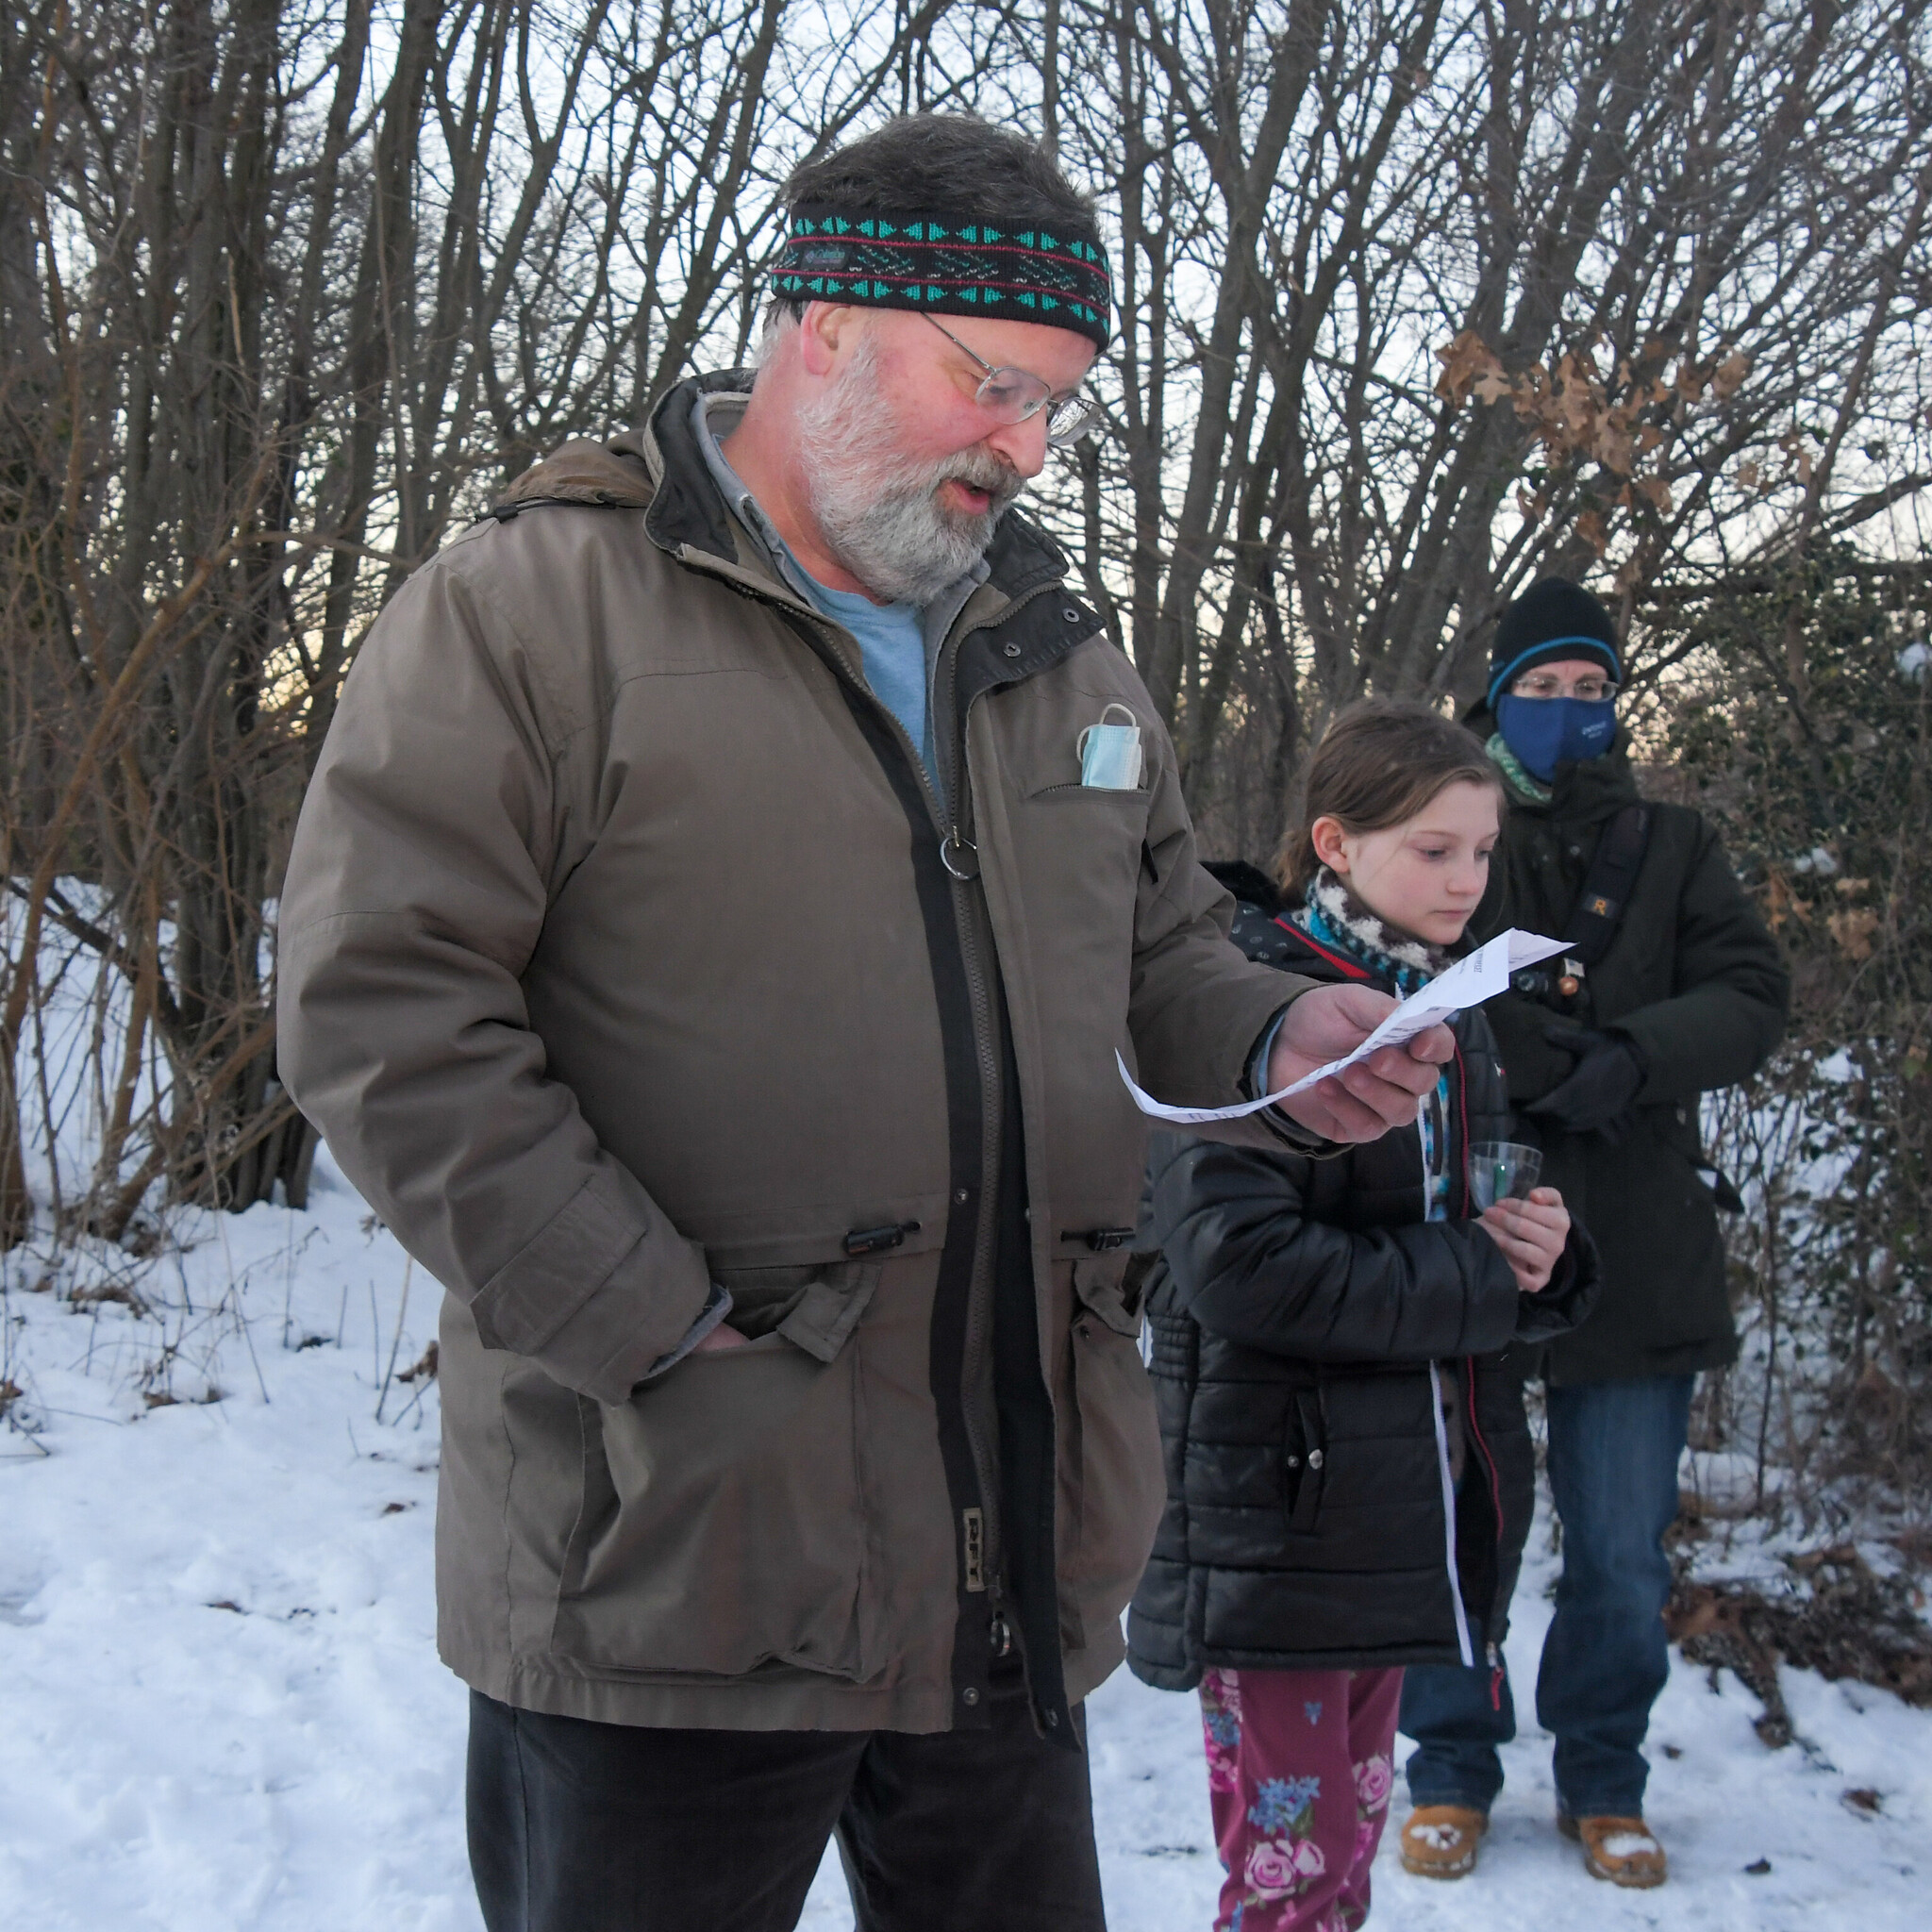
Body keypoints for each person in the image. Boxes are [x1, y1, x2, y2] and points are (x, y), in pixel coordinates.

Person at [275, 115, 1457, 1932]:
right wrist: (654, 1334)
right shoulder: (532, 610)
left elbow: (1156, 955)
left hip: (1004, 1529)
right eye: (995, 386)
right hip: (678, 1545)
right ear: (823, 326)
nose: (1028, 447)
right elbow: (382, 1009)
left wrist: (1279, 1046)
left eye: (1061, 403)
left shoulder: (1058, 649)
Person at [1125, 700, 1599, 1932]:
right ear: (1334, 844)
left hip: (1410, 1508)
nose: (1467, 879)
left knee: (1338, 1879)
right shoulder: (1239, 1004)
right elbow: (1238, 1264)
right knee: (1285, 1881)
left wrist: (1544, 1257)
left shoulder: (1458, 1002)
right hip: (1278, 1518)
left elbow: (1484, 1218)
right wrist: (1476, 1272)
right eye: (1434, 850)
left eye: (1482, 851)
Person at [1396, 577, 1790, 1890]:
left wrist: (1628, 1055)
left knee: (1621, 1547)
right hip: (1476, 1230)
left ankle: (1602, 1774)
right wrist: (1517, 1054)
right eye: (1544, 687)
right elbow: (1389, 965)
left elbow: (1749, 992)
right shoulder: (1453, 825)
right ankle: (1448, 1764)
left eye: (1590, 689)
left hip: (1637, 1236)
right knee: (1465, 1524)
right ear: (1497, 696)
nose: (1569, 711)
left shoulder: (1673, 844)